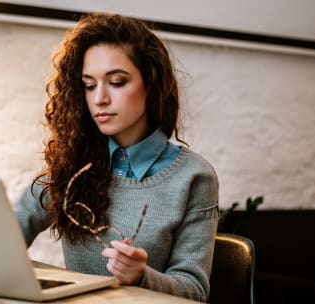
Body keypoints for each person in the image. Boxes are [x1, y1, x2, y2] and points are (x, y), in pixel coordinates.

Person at [14, 13, 218, 302]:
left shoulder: (194, 177)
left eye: (117, 82)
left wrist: (141, 275)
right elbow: (6, 236)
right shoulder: (73, 163)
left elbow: (195, 290)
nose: (99, 99)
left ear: (151, 84)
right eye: (89, 85)